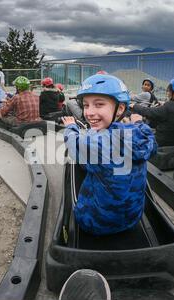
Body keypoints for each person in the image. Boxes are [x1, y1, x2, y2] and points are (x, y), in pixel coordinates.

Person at [62, 74, 157, 236]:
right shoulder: (143, 134)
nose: (89, 113)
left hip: (95, 222)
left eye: (99, 105)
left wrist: (71, 127)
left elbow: (73, 145)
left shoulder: (95, 142)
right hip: (132, 219)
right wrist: (138, 123)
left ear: (120, 108)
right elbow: (150, 142)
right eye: (85, 105)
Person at [132, 76, 174, 147]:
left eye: (169, 90)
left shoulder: (168, 107)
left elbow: (148, 112)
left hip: (159, 144)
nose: (167, 92)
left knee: (133, 126)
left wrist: (134, 106)